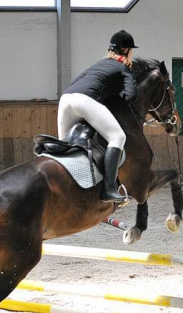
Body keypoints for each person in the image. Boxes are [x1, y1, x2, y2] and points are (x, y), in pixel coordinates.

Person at [57, 30, 138, 203]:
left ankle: (63, 189)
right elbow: (130, 96)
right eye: (131, 49)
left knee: (64, 144)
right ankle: (109, 189)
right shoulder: (124, 67)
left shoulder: (97, 64)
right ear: (125, 50)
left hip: (66, 99)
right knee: (118, 136)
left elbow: (75, 83)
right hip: (85, 101)